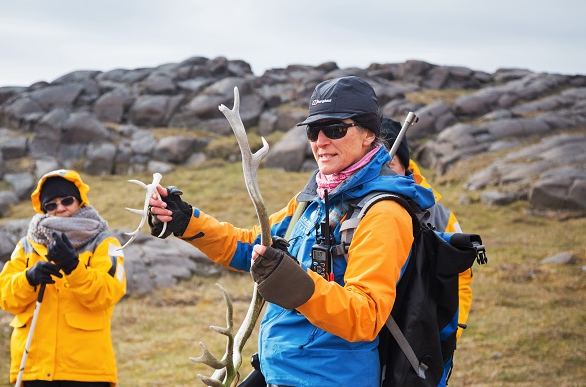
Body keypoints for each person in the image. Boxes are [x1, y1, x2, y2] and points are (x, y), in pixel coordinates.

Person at [148, 76, 435, 386]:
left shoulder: (384, 213)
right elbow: (254, 248)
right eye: (313, 131)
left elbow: (364, 318)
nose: (320, 142)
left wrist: (298, 285)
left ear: (368, 134)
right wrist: (187, 222)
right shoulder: (313, 199)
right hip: (280, 372)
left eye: (335, 129)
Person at [0, 169, 126, 387]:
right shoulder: (26, 246)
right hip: (32, 369)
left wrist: (73, 267)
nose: (60, 208)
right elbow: (4, 296)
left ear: (80, 202)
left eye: (67, 200)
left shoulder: (105, 243)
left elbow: (108, 292)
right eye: (51, 205)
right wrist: (29, 278)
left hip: (86, 372)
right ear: (44, 209)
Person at [380, 116, 473, 340]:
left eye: (389, 164)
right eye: (373, 163)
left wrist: (450, 332)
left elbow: (460, 278)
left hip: (421, 340)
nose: (381, 172)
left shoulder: (439, 216)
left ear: (405, 166)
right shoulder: (344, 205)